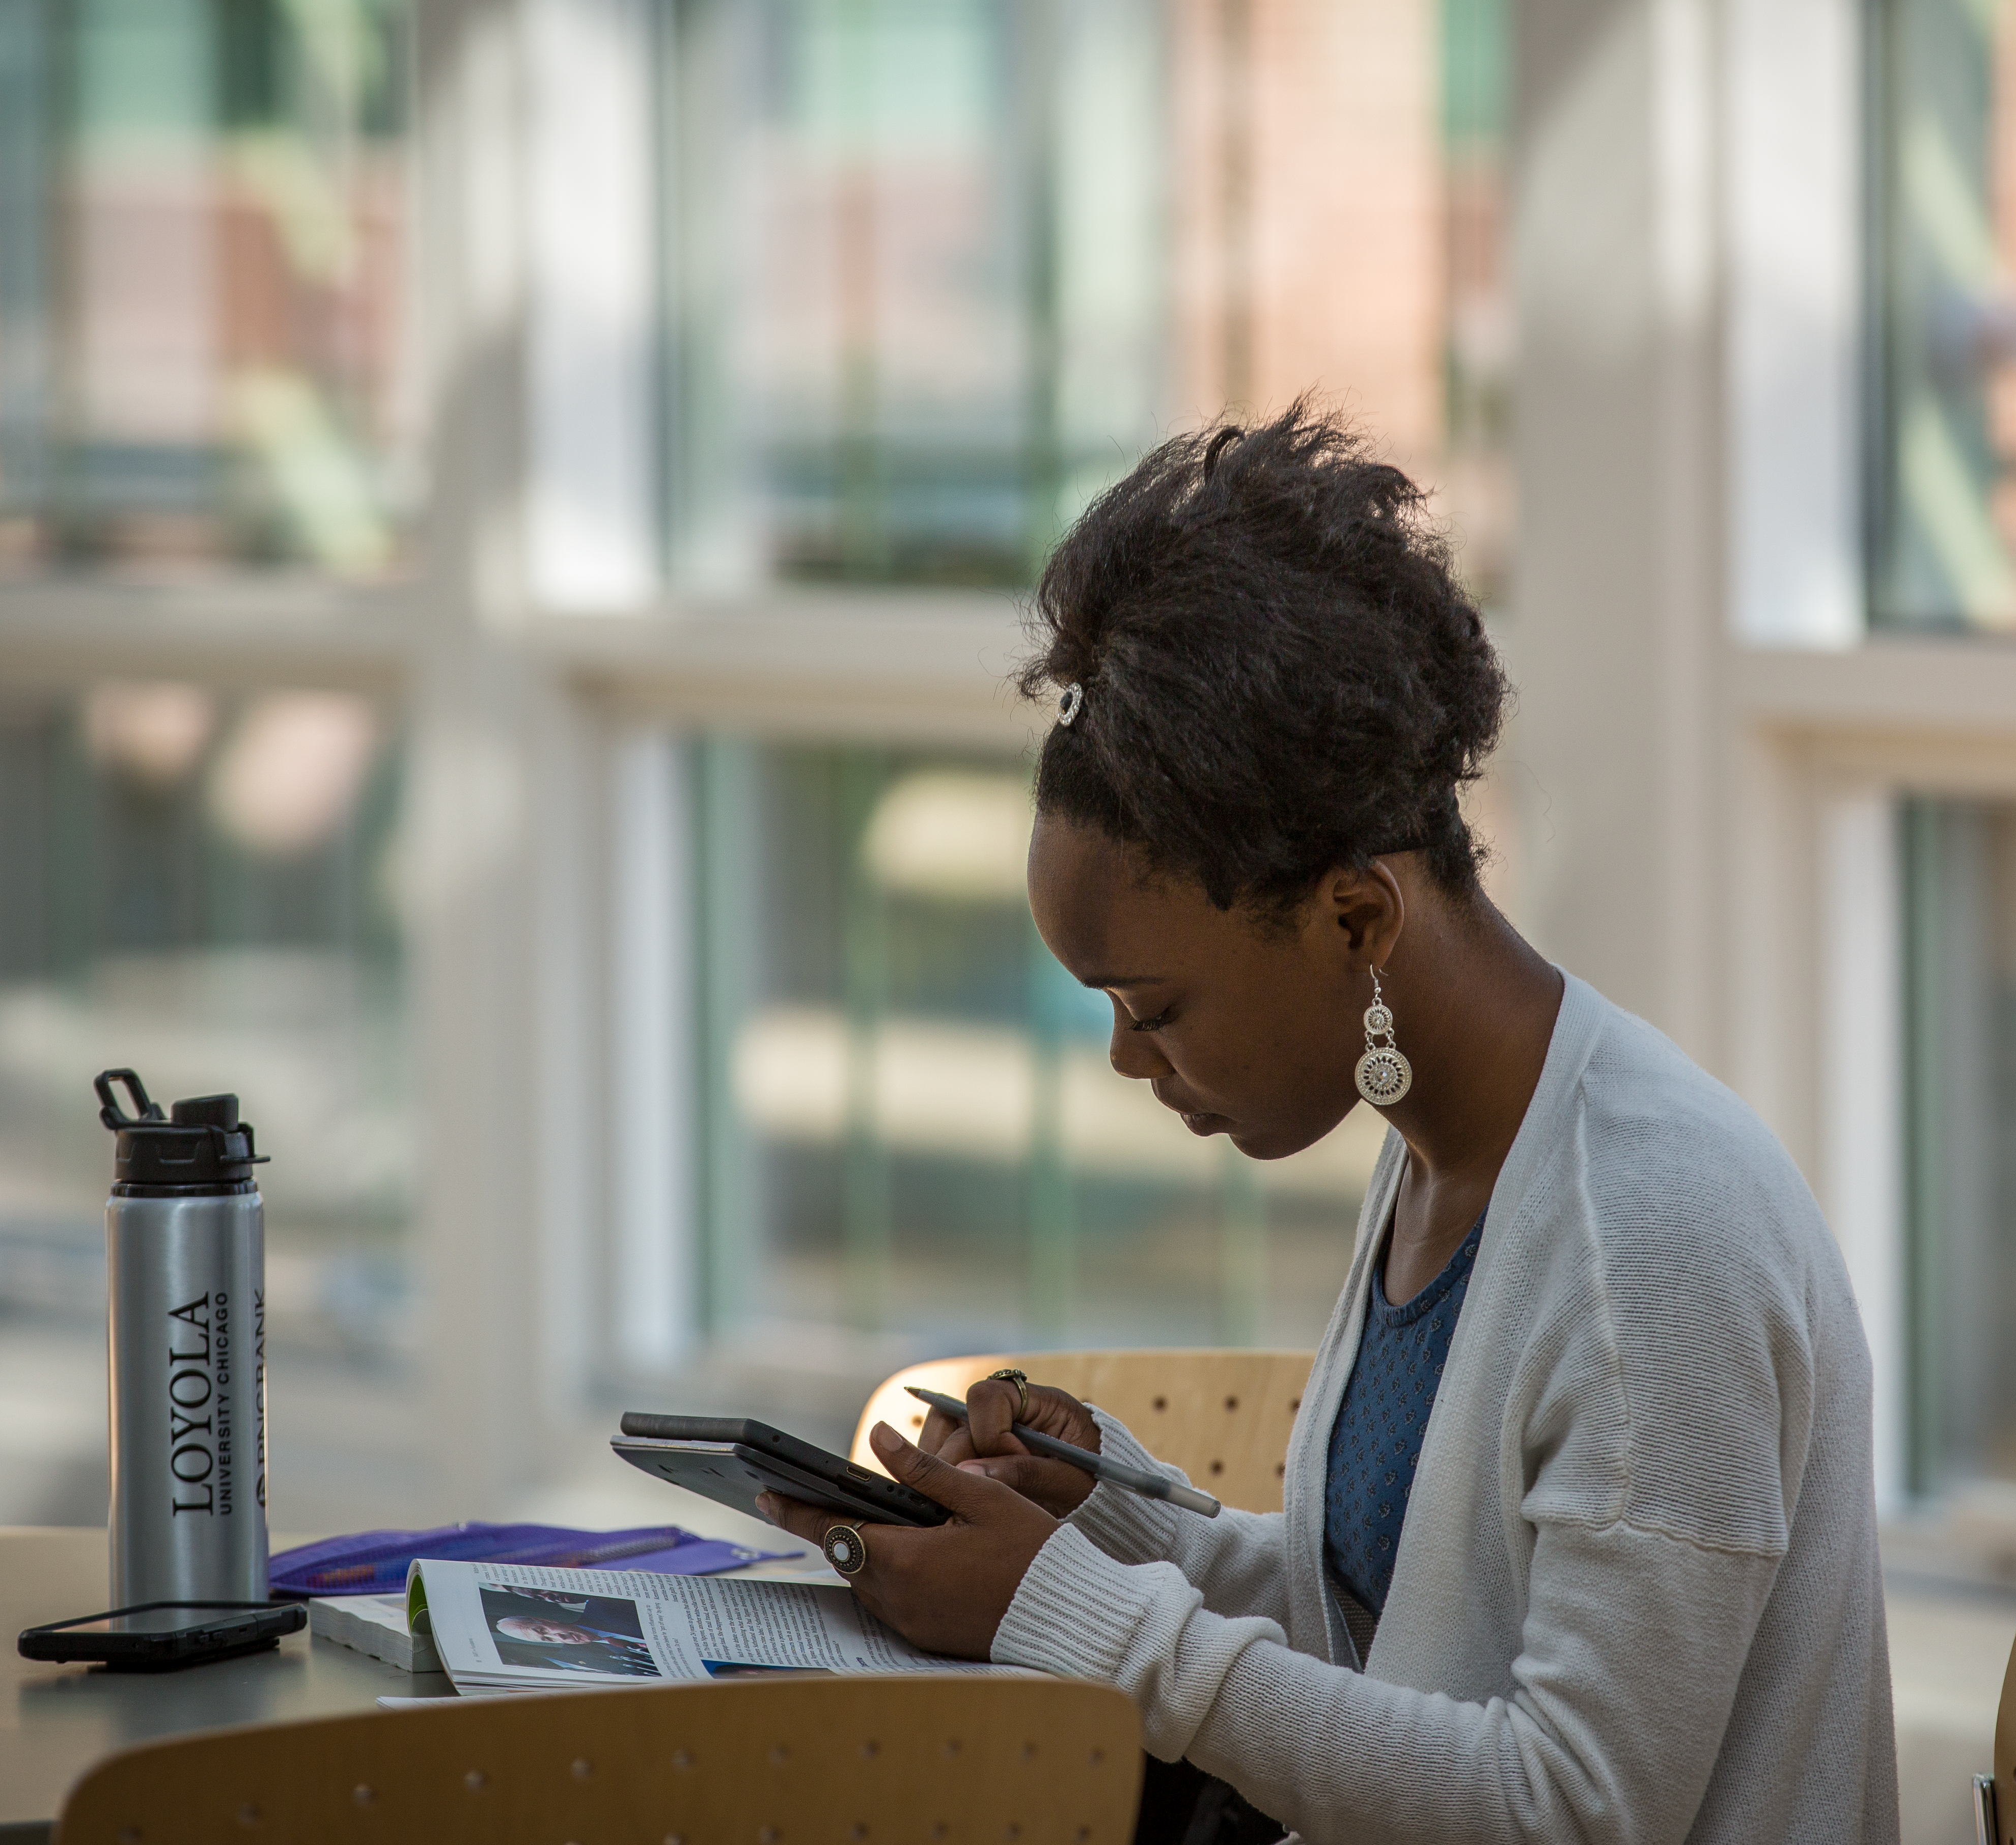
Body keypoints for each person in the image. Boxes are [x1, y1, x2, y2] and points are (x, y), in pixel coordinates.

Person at [755, 405, 1900, 1843]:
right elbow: (1393, 1640)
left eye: (1154, 1006)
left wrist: (1073, 1617)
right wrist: (1117, 1514)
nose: (1123, 1059)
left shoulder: (1653, 1238)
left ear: (1354, 917)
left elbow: (1568, 1809)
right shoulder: (1450, 1158)